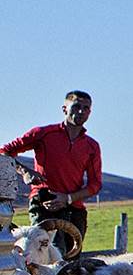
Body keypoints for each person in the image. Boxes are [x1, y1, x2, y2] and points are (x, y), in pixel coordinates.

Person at [4, 90, 103, 257]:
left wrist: (68, 198)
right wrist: (25, 171)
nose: (81, 111)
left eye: (86, 108)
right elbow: (5, 152)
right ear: (64, 109)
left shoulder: (91, 146)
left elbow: (95, 185)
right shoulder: (43, 134)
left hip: (74, 208)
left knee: (72, 261)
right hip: (44, 202)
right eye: (76, 106)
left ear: (90, 113)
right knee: (43, 253)